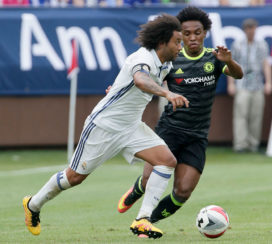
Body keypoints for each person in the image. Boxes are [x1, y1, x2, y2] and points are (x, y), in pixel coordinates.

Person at [23, 14, 188, 239]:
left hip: (130, 127)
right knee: (74, 178)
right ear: (162, 43)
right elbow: (140, 79)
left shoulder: (166, 63)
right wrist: (167, 93)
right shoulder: (143, 57)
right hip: (104, 126)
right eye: (177, 41)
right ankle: (33, 204)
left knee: (167, 161)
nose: (181, 46)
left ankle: (142, 219)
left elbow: (134, 82)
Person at [117, 6, 243, 238]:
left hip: (197, 134)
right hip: (170, 130)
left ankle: (148, 220)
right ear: (180, 36)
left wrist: (230, 61)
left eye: (197, 32)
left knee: (183, 191)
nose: (192, 38)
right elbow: (145, 79)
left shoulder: (214, 58)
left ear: (205, 33)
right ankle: (137, 189)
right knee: (149, 178)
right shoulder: (171, 60)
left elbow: (238, 75)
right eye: (187, 34)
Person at [227, 18, 272, 153]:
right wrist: (231, 84)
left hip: (258, 84)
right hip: (241, 84)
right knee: (241, 115)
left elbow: (266, 64)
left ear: (256, 29)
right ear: (244, 30)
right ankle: (240, 144)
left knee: (256, 115)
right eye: (248, 28)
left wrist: (268, 82)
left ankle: (253, 144)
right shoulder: (237, 44)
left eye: (252, 28)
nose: (250, 31)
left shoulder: (262, 44)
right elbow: (230, 64)